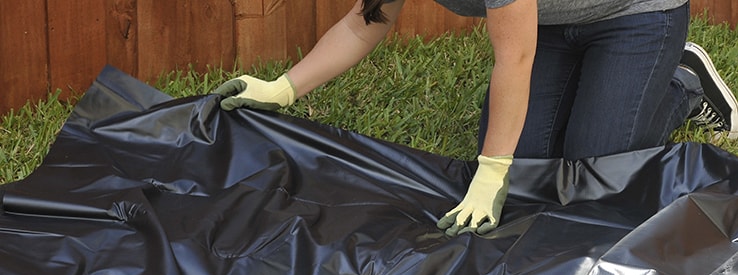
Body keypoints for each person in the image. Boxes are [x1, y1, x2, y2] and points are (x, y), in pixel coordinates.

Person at [213, 0, 738, 237]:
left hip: (634, 13)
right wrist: (283, 88)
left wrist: (490, 171)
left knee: (597, 180)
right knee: (533, 168)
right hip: (544, 24)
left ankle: (682, 86)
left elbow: (514, 60)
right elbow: (364, 23)